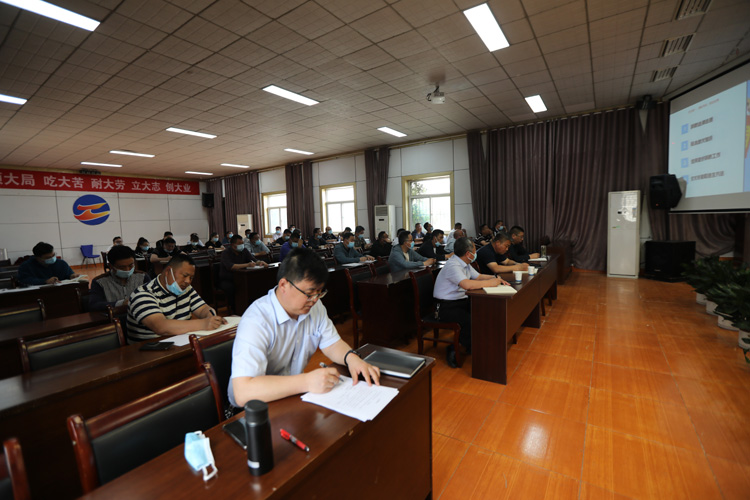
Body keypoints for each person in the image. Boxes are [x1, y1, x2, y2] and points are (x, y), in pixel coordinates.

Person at [229, 248, 381, 407]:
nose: (314, 300)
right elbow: (243, 392)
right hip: (254, 406)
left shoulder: (314, 306)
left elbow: (332, 344)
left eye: (319, 292)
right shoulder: (257, 320)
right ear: (283, 285)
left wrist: (352, 359)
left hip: (292, 394)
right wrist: (307, 381)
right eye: (309, 293)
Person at [433, 237, 509, 367]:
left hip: (460, 302)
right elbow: (467, 285)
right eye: (474, 250)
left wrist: (496, 278)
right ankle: (454, 348)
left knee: (482, 312)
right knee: (469, 320)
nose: (475, 253)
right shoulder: (453, 265)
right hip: (445, 307)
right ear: (468, 254)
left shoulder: (465, 264)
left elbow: (478, 277)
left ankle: (474, 344)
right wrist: (491, 283)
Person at [127, 254, 226, 342]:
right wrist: (204, 324)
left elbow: (202, 309)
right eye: (185, 276)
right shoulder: (143, 294)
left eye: (191, 278)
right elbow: (160, 327)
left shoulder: (185, 289)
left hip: (180, 343)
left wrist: (211, 317)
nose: (188, 281)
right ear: (168, 271)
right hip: (149, 350)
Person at [89, 245, 150, 312]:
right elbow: (94, 305)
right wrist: (120, 303)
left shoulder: (143, 277)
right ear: (110, 266)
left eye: (131, 265)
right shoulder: (99, 282)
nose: (127, 270)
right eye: (122, 267)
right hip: (114, 316)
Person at [220, 235, 267, 311]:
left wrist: (260, 262)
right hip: (228, 278)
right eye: (240, 244)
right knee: (231, 288)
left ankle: (251, 307)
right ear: (233, 245)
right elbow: (231, 266)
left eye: (242, 243)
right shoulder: (226, 253)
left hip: (242, 277)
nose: (242, 245)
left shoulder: (244, 250)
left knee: (254, 284)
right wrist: (247, 265)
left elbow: (253, 259)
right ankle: (235, 310)